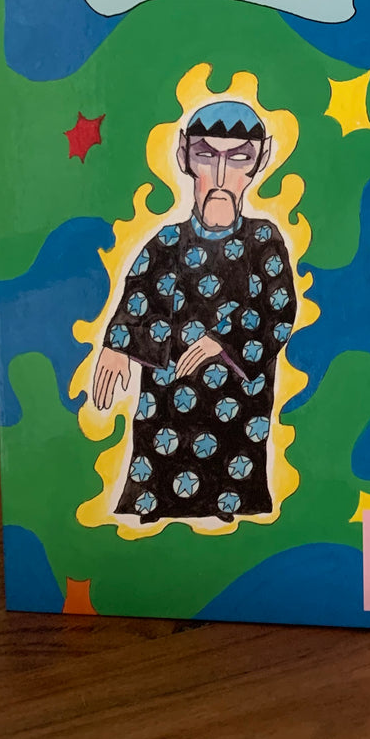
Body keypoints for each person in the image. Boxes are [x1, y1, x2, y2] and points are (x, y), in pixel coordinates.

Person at [92, 101, 297, 522]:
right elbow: (138, 301)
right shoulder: (166, 243)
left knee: (234, 498)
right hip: (166, 415)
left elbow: (278, 313)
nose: (220, 176)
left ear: (260, 160)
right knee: (156, 496)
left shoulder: (264, 241)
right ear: (184, 154)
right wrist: (117, 344)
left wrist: (221, 341)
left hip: (237, 419)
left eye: (238, 159)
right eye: (206, 155)